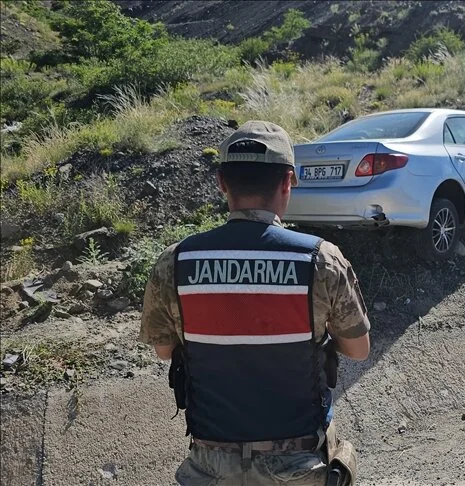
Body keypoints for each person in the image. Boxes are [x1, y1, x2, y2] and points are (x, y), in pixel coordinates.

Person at [138, 120, 371, 485]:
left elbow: (165, 351)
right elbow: (358, 349)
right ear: (288, 181)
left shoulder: (175, 261)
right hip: (298, 466)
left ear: (221, 183)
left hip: (210, 466)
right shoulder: (321, 260)